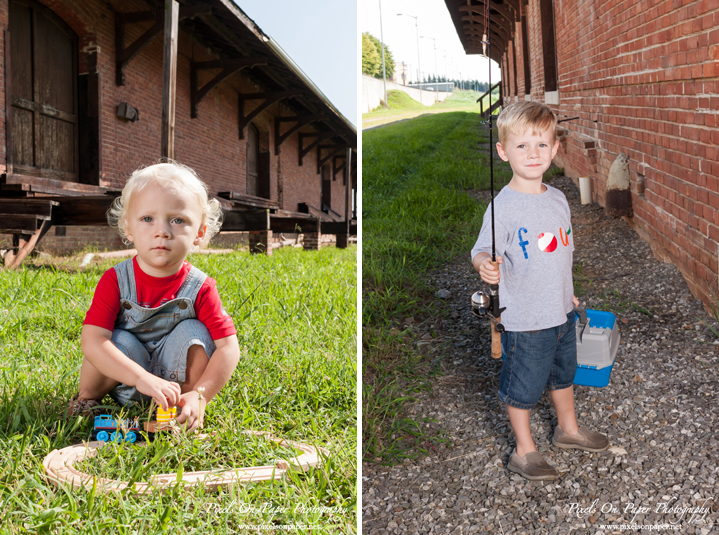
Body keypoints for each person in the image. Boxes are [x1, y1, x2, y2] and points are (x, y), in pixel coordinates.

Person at [471, 101, 608, 480]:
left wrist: (571, 293)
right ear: (502, 151)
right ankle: (524, 450)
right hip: (526, 318)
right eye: (521, 146)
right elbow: (481, 249)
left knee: (564, 373)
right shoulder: (504, 207)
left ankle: (568, 429)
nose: (533, 154)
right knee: (524, 385)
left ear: (555, 149)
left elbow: (562, 255)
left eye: (542, 145)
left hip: (561, 310)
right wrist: (484, 263)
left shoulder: (559, 198)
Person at [67, 162, 240, 431]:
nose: (162, 231)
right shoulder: (115, 280)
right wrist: (140, 379)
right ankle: (87, 402)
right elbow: (91, 342)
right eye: (148, 219)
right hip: (124, 381)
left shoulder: (201, 287)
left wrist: (201, 394)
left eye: (178, 220)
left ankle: (185, 408)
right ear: (129, 229)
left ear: (200, 233)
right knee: (113, 338)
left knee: (194, 330)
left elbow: (229, 348)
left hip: (175, 389)